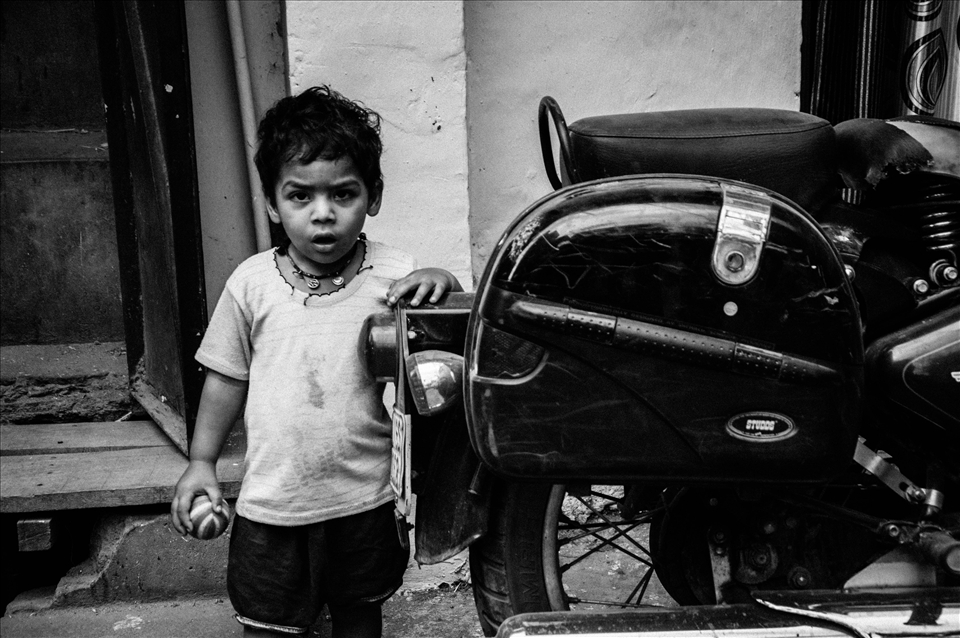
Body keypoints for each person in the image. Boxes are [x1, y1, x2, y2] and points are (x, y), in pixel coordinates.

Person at [170, 85, 462, 638]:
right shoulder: (251, 284)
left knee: (360, 613)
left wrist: (441, 281)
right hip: (274, 503)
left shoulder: (395, 278)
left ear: (373, 196)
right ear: (271, 203)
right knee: (268, 623)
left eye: (343, 194)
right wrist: (202, 462)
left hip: (364, 496)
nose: (322, 215)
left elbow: (440, 343)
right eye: (300, 196)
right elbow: (226, 379)